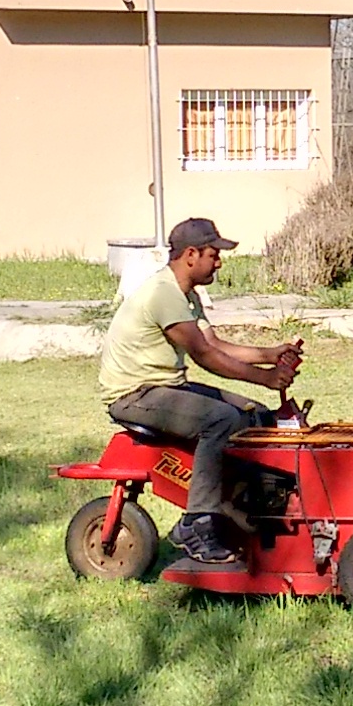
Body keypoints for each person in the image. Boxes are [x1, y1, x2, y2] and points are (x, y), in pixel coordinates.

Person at [97, 216, 304, 568]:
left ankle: (249, 506)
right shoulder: (164, 294)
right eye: (214, 254)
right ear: (191, 254)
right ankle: (196, 522)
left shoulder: (185, 294)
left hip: (164, 387)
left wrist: (270, 355)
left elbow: (214, 343)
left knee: (254, 414)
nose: (219, 262)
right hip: (134, 395)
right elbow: (204, 356)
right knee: (221, 419)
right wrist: (265, 378)